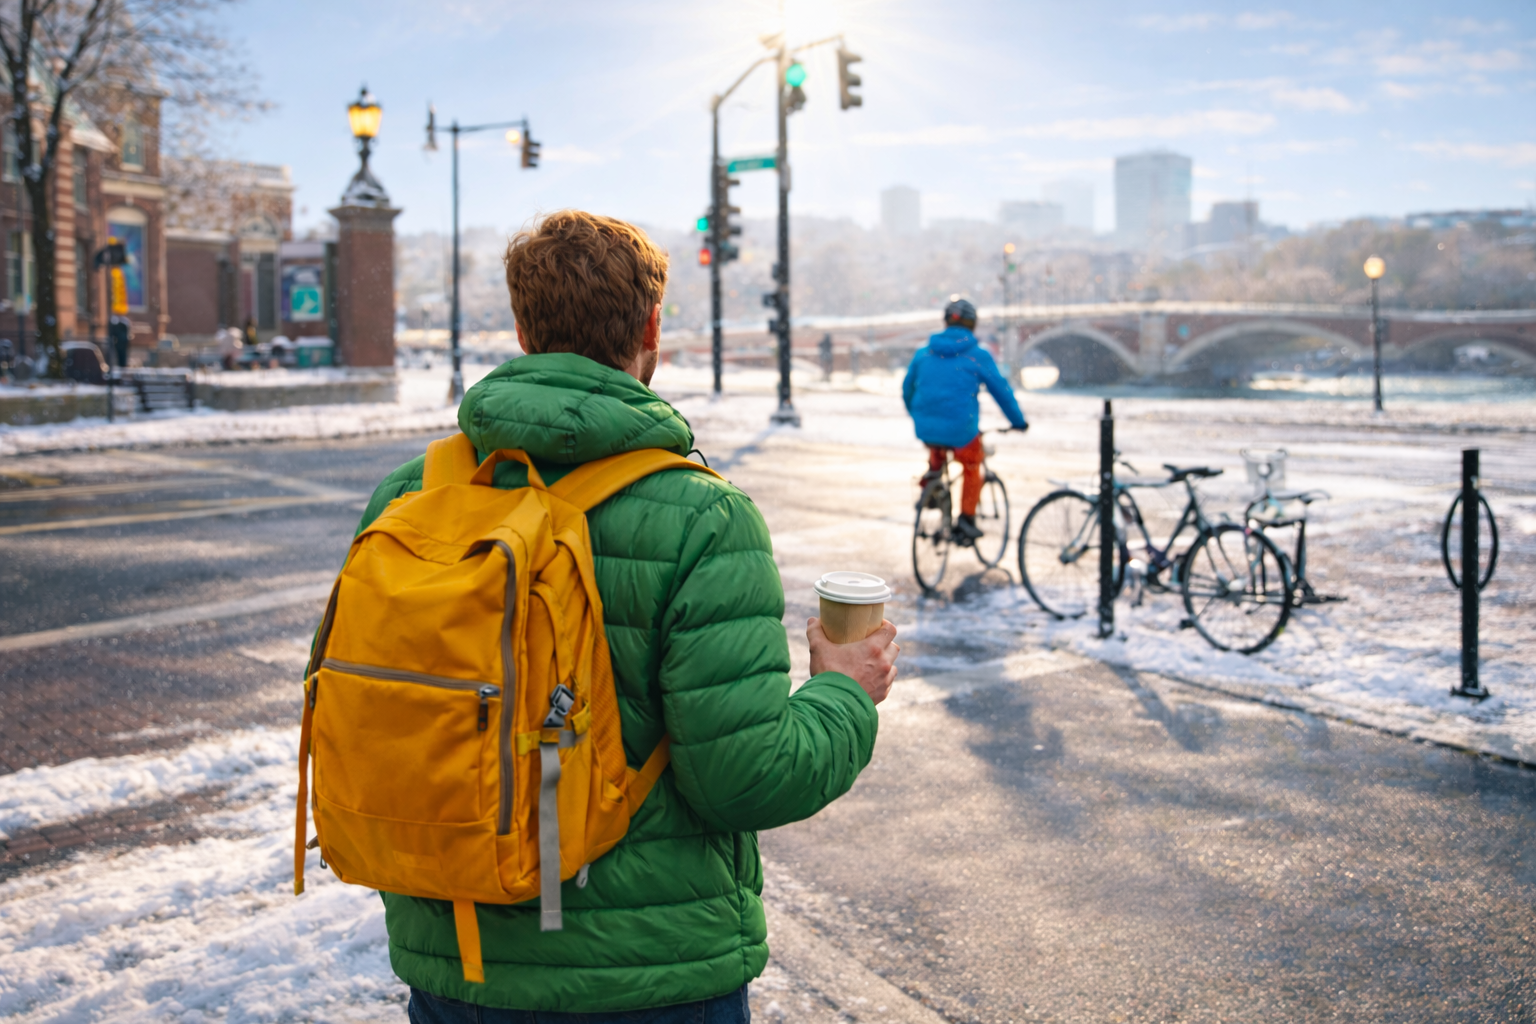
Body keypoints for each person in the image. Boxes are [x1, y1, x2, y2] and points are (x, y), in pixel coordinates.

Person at [356, 210, 900, 1022]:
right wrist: (844, 692)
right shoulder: (705, 518)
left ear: (523, 330)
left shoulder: (411, 494)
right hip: (649, 978)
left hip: (456, 963)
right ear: (651, 330)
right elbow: (747, 779)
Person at [902, 298, 1028, 541]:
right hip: (960, 429)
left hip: (926, 426)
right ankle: (966, 521)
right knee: (972, 464)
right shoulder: (977, 355)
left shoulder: (923, 352)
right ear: (972, 324)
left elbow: (907, 389)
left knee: (937, 445)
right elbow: (1001, 391)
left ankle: (932, 485)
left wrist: (917, 414)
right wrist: (1018, 421)